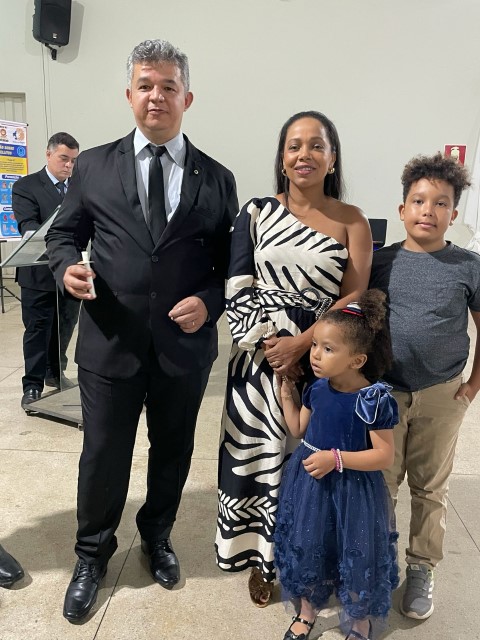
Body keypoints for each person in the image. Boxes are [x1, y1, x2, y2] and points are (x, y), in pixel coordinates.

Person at [46, 39, 238, 623]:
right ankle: (91, 554)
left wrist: (210, 303)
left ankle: (157, 536)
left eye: (168, 86)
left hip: (184, 347)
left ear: (187, 97)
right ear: (129, 94)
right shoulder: (93, 166)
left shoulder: (217, 178)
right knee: (103, 453)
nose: (157, 96)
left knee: (173, 451)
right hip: (110, 340)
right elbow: (62, 234)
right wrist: (66, 268)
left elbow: (230, 264)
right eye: (146, 85)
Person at [215, 111, 373, 607]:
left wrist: (303, 343)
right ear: (282, 159)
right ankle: (260, 558)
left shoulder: (353, 220)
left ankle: (308, 562)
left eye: (316, 145)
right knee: (259, 461)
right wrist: (271, 344)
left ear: (332, 158)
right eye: (294, 146)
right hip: (256, 358)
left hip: (325, 362)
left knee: (311, 465)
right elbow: (237, 282)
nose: (304, 154)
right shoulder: (256, 212)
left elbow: (354, 299)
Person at [369, 152, 480, 621]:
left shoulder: (468, 266)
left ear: (454, 214)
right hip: (384, 393)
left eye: (440, 203)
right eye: (418, 201)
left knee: (430, 487)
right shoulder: (380, 262)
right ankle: (377, 562)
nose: (428, 211)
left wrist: (472, 386)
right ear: (402, 209)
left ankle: (421, 567)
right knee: (380, 484)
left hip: (442, 394)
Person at [275, 290, 399, 640]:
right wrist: (286, 396)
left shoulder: (373, 399)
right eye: (315, 345)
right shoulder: (317, 388)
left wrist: (337, 459)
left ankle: (359, 620)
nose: (315, 354)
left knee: (355, 551)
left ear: (357, 360)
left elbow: (384, 455)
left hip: (353, 489)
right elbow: (299, 429)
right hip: (311, 484)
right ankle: (307, 612)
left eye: (328, 349)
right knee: (309, 545)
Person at [12, 132, 81, 411]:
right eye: (64, 158)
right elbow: (28, 225)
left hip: (71, 271)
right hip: (38, 273)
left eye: (73, 160)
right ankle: (32, 385)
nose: (69, 166)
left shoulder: (78, 186)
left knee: (66, 325)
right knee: (38, 329)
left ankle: (55, 372)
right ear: (49, 154)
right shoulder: (26, 186)